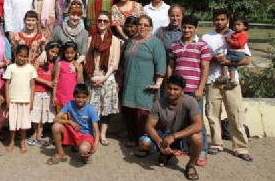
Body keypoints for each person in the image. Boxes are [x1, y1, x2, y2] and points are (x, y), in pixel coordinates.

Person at [202, 9, 253, 162]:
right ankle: (216, 144)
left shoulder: (236, 34)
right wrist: (214, 59)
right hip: (213, 80)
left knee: (235, 113)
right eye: (217, 19)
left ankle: (241, 147)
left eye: (222, 19)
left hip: (231, 81)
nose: (219, 22)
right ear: (213, 21)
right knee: (212, 114)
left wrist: (228, 62)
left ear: (228, 20)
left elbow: (246, 60)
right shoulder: (206, 37)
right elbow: (202, 59)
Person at [139, 75, 204, 181]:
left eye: (175, 89)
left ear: (183, 90)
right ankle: (164, 154)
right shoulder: (159, 103)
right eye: (169, 88)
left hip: (182, 136)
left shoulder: (190, 102)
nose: (171, 92)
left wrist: (174, 136)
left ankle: (191, 165)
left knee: (198, 137)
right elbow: (149, 126)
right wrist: (160, 142)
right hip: (164, 135)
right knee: (143, 142)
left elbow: (198, 125)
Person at [168, 15, 210, 166]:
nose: (187, 30)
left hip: (193, 90)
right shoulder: (175, 45)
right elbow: (171, 66)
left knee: (198, 123)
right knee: (178, 121)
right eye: (184, 27)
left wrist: (201, 88)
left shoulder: (202, 45)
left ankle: (202, 152)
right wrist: (170, 84)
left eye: (190, 27)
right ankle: (182, 147)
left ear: (196, 28)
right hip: (178, 91)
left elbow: (205, 68)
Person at [121, 15, 166, 156]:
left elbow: (161, 63)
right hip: (130, 84)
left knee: (144, 114)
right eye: (140, 24)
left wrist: (158, 83)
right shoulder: (131, 41)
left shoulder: (155, 43)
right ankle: (134, 138)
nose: (142, 27)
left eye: (146, 25)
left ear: (150, 27)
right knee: (129, 111)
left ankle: (145, 144)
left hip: (146, 86)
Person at [85, 11, 120, 146]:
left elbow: (114, 61)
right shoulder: (90, 39)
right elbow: (87, 60)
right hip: (92, 77)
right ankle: (93, 132)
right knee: (92, 108)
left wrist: (104, 77)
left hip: (107, 77)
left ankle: (103, 134)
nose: (102, 23)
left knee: (105, 109)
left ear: (109, 23)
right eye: (100, 20)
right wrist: (91, 76)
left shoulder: (115, 41)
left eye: (105, 21)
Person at [46, 84, 100, 165]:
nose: (80, 100)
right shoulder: (70, 104)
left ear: (87, 97)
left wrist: (94, 147)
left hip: (86, 135)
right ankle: (60, 154)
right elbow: (55, 119)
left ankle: (86, 155)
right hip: (74, 132)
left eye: (83, 97)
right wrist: (70, 122)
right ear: (74, 96)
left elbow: (97, 131)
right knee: (56, 126)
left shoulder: (90, 109)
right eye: (78, 97)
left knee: (84, 149)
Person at [3, 44, 38, 153]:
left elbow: (32, 85)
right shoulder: (11, 68)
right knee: (12, 123)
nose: (22, 58)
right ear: (15, 55)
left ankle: (22, 142)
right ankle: (12, 141)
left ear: (28, 56)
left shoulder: (30, 68)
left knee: (24, 124)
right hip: (13, 100)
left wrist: (31, 101)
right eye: (20, 56)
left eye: (24, 56)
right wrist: (7, 100)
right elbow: (7, 84)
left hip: (25, 101)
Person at [30, 41, 61, 146]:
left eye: (56, 53)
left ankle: (39, 134)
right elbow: (33, 75)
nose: (54, 54)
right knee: (36, 113)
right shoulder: (39, 60)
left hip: (48, 93)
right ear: (47, 50)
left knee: (43, 114)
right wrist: (46, 82)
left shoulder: (56, 63)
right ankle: (35, 133)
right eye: (52, 51)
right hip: (38, 91)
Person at [216, 17, 249, 89]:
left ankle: (224, 76)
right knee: (232, 67)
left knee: (224, 61)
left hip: (237, 53)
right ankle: (232, 81)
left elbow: (240, 44)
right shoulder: (235, 34)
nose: (236, 27)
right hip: (233, 52)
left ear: (245, 26)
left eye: (238, 25)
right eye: (235, 25)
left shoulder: (243, 34)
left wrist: (231, 42)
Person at [53, 42, 84, 112]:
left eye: (72, 53)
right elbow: (56, 80)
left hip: (73, 97)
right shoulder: (60, 64)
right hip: (60, 96)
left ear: (75, 52)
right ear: (64, 52)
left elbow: (80, 83)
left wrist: (78, 70)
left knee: (72, 119)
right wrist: (54, 96)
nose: (69, 55)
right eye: (67, 53)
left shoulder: (79, 65)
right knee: (61, 119)